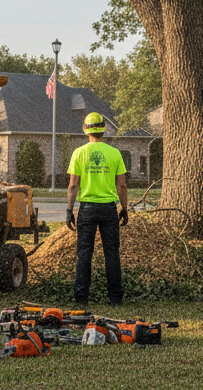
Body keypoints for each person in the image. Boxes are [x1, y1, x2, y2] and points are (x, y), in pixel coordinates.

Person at [66, 111, 128, 307]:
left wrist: (69, 210)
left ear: (85, 129)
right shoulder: (115, 153)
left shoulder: (79, 153)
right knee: (111, 253)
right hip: (109, 209)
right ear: (104, 129)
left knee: (84, 253)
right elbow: (122, 186)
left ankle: (81, 299)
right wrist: (124, 208)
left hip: (87, 209)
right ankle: (115, 298)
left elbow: (73, 186)